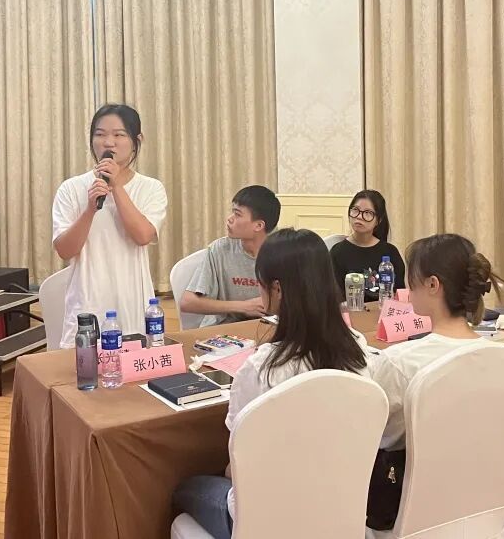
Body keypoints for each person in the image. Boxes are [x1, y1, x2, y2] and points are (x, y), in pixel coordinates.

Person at [173, 228, 372, 539]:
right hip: (342, 508)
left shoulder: (262, 367)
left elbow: (237, 463)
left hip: (265, 521)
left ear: (277, 289)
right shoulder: (358, 348)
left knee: (184, 488)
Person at [370, 233, 502, 452]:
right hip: (482, 467)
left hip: (405, 469)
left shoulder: (400, 362)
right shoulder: (502, 357)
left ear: (432, 284)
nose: (408, 289)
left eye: (411, 281)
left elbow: (376, 432)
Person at [52, 104, 167, 346]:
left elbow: (143, 235)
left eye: (119, 135)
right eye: (100, 134)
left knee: (135, 364)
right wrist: (89, 210)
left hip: (132, 302)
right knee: (84, 366)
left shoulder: (151, 188)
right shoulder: (71, 188)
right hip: (88, 303)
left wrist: (116, 187)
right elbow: (64, 250)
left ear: (136, 141)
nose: (108, 142)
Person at [180, 186, 281, 327]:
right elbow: (187, 302)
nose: (229, 219)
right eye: (232, 212)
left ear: (258, 225)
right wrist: (244, 307)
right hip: (223, 330)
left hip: (267, 329)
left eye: (237, 214)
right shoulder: (219, 249)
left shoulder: (282, 252)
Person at [330, 190, 406, 300]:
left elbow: (399, 294)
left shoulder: (390, 252)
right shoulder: (337, 252)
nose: (359, 217)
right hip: (352, 310)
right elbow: (334, 297)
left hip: (384, 309)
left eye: (367, 213)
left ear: (379, 220)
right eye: (355, 210)